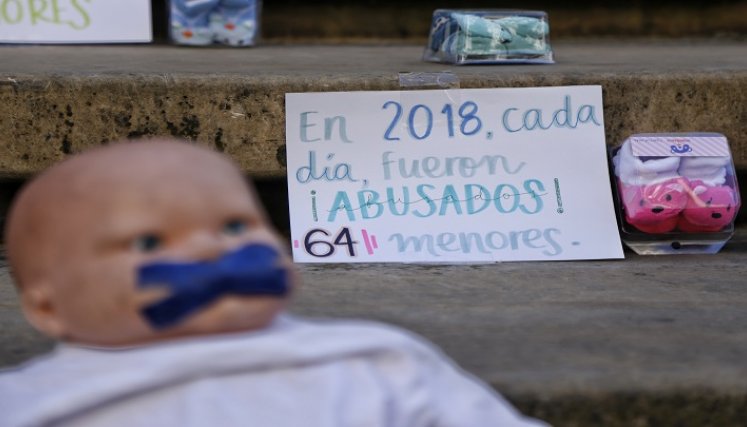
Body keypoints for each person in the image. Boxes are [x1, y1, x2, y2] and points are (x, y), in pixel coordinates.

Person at [0, 139, 547, 427]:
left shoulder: (375, 361)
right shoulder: (29, 403)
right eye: (148, 244)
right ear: (48, 309)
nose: (215, 249)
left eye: (237, 226)